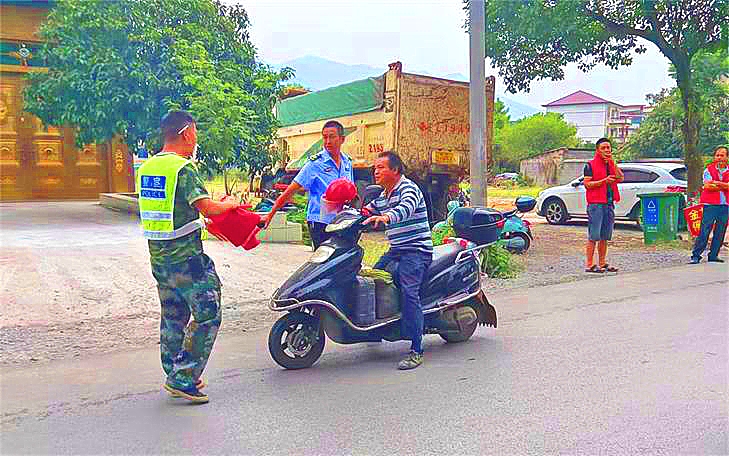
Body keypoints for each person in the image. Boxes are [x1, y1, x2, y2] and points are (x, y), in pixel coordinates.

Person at [137, 110, 239, 404]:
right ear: (186, 133)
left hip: (159, 256)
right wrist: (229, 205)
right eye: (195, 132)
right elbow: (207, 207)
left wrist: (201, 223)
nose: (196, 139)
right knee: (208, 312)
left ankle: (175, 371)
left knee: (173, 315)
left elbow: (171, 210)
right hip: (186, 258)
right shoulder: (183, 168)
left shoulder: (149, 167)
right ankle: (184, 377)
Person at [363, 151, 433, 370]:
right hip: (397, 249)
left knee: (409, 292)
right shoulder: (385, 195)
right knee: (371, 277)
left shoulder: (408, 189)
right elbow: (368, 209)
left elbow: (405, 209)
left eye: (381, 168)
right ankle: (377, 328)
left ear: (395, 170)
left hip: (416, 250)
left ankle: (416, 349)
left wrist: (386, 217)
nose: (376, 171)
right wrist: (348, 214)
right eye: (375, 168)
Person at [261, 120, 353, 249]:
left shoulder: (347, 162)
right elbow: (290, 191)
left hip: (342, 221)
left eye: (332, 137)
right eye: (325, 137)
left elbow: (350, 192)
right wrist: (270, 214)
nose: (327, 141)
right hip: (321, 222)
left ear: (342, 139)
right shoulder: (315, 164)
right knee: (324, 262)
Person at [583, 137, 624, 273]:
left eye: (608, 147)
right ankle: (589, 264)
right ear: (597, 150)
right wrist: (604, 181)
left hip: (609, 203)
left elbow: (620, 178)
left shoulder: (611, 164)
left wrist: (613, 163)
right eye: (603, 148)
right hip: (596, 204)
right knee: (593, 236)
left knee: (605, 236)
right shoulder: (590, 165)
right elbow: (587, 184)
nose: (607, 150)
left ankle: (602, 263)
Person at [689, 145, 729, 264]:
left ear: (727, 157)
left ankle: (713, 255)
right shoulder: (708, 169)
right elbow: (707, 186)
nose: (719, 157)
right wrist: (724, 185)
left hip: (725, 205)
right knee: (704, 230)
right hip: (710, 204)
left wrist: (716, 183)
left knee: (720, 231)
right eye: (717, 155)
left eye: (722, 155)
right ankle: (696, 255)